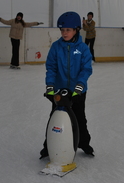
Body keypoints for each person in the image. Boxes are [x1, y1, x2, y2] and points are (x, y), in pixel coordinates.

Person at [40, 11, 94, 159]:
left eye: (68, 30)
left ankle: (84, 143)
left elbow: (86, 69)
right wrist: (50, 86)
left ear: (76, 29)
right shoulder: (56, 47)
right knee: (55, 118)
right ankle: (48, 147)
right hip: (60, 90)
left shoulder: (83, 48)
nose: (64, 33)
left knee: (79, 118)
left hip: (78, 91)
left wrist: (80, 86)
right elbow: (51, 67)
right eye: (62, 30)